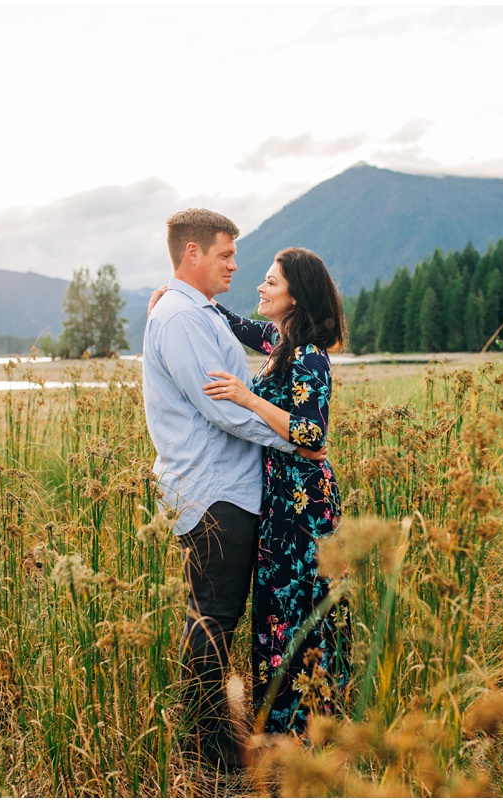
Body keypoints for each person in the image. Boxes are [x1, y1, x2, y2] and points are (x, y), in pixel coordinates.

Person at [141, 209, 323, 770]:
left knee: (216, 614)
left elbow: (247, 352)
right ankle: (204, 745)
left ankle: (219, 733)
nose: (236, 266)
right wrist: (295, 439)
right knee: (213, 615)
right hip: (214, 489)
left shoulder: (200, 313)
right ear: (192, 253)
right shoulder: (181, 318)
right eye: (225, 254)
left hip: (231, 487)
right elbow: (222, 406)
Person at [200, 247, 351, 735]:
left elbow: (312, 433)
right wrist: (188, 295)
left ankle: (309, 723)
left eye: (270, 282)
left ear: (295, 294)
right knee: (280, 605)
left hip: (304, 502)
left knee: (301, 603)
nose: (261, 288)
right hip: (282, 497)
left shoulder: (310, 356)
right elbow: (239, 325)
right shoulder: (283, 342)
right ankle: (283, 721)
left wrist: (246, 397)